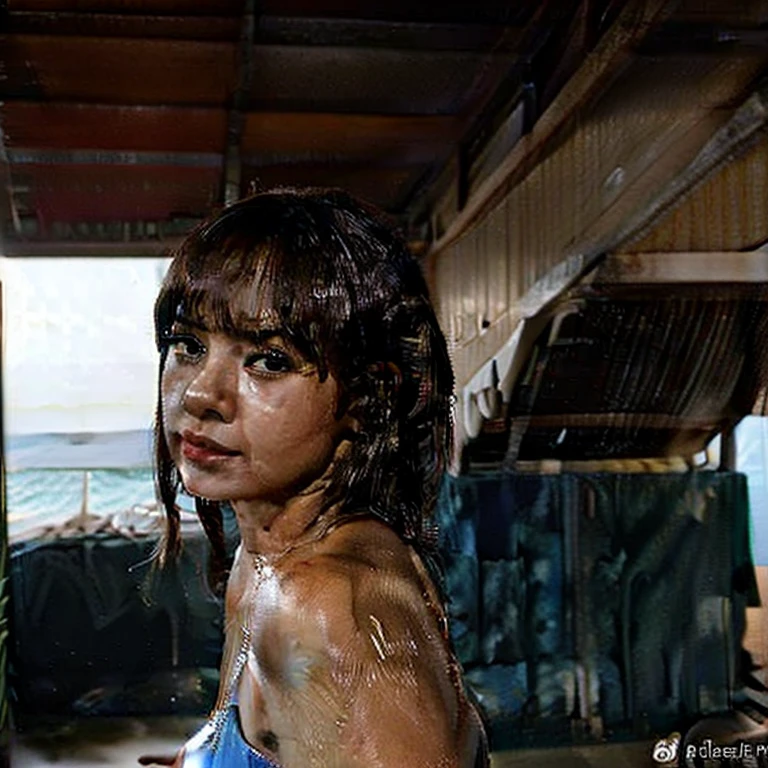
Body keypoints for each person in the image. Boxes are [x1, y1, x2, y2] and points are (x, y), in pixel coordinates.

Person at [149, 187, 488, 767]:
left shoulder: (320, 604)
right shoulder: (266, 565)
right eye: (187, 345)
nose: (202, 393)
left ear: (369, 398)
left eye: (269, 360)